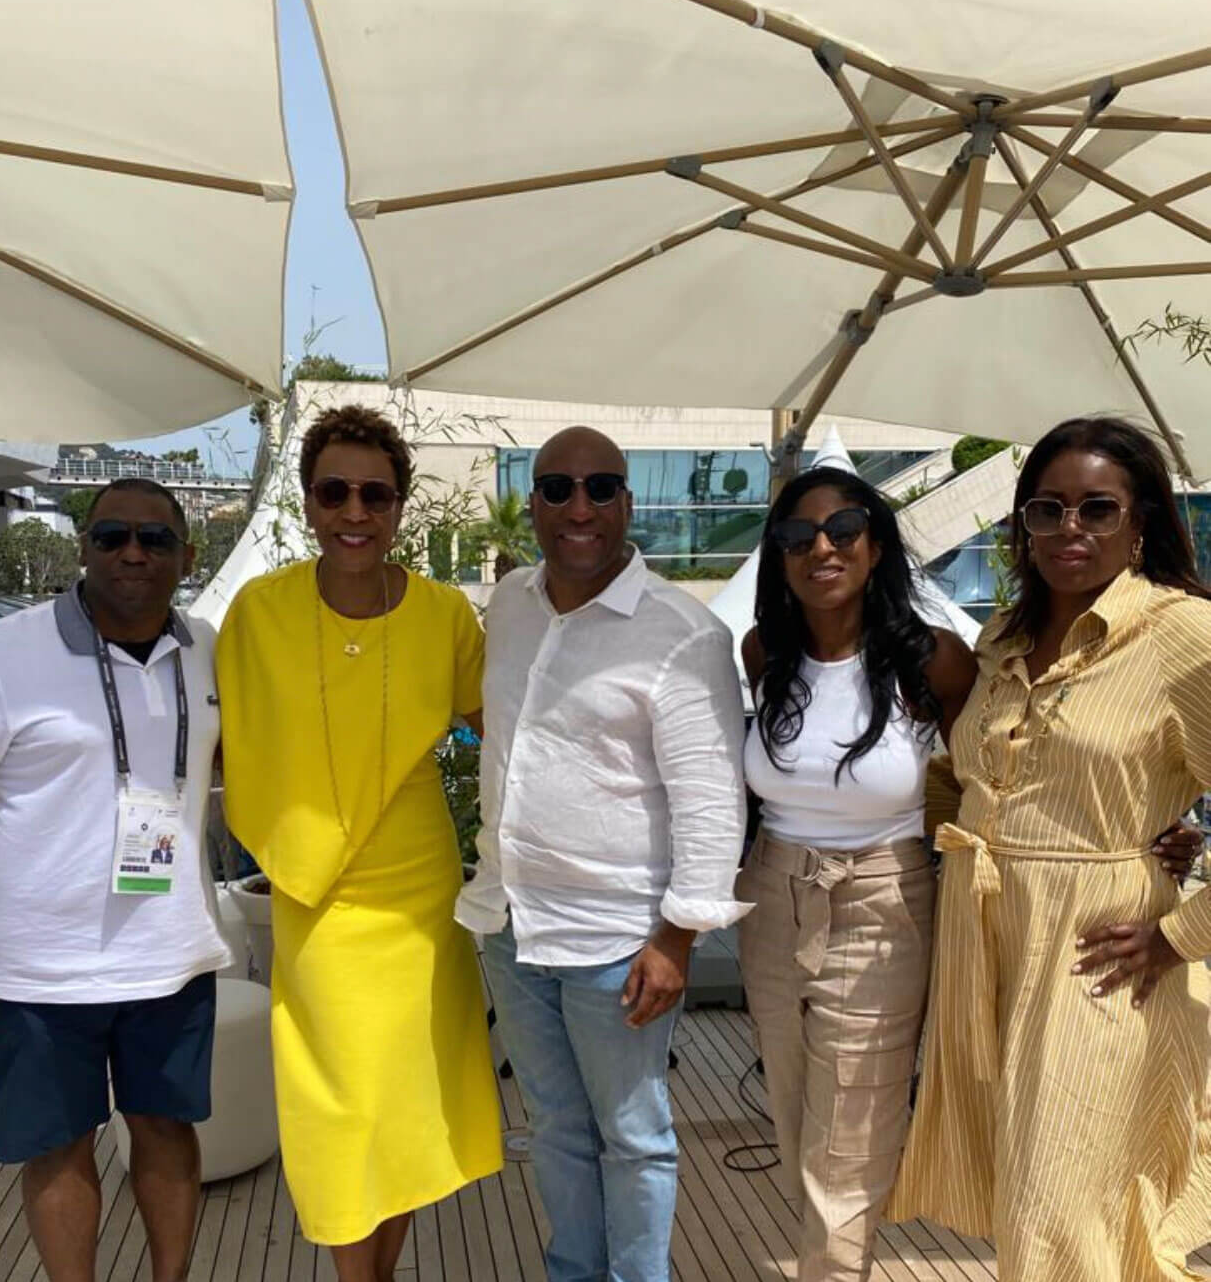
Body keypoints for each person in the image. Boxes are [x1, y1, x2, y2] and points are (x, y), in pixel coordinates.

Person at [888, 417, 1211, 1281]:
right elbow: (966, 780)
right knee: (1037, 1186)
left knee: (1062, 1194)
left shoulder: (1183, 636)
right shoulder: (1002, 638)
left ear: (1140, 521)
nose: (1072, 529)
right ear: (1022, 527)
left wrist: (1177, 933)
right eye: (1048, 508)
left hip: (1097, 950)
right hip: (988, 941)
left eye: (1098, 509)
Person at [456, 425, 750, 1282]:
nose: (577, 507)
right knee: (554, 1126)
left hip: (620, 942)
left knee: (635, 1137)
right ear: (535, 505)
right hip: (511, 921)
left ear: (627, 502)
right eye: (555, 488)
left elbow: (710, 802)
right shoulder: (510, 601)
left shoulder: (681, 635)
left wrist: (677, 938)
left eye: (599, 487)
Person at [216, 405, 502, 1282]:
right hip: (313, 894)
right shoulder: (257, 612)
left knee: (406, 1103)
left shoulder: (448, 614)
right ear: (306, 501)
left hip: (416, 888)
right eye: (334, 490)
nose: (354, 510)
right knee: (337, 1107)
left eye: (374, 494)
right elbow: (219, 744)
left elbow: (505, 736)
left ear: (399, 507)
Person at [0, 478, 231, 1282]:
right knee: (57, 1147)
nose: (133, 551)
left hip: (169, 958)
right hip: (36, 969)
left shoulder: (207, 650)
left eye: (155, 539)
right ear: (82, 547)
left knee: (166, 1128)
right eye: (111, 536)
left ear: (186, 558)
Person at [736, 466, 976, 1282]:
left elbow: (1001, 773)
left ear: (875, 546)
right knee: (798, 1114)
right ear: (780, 555)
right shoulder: (763, 651)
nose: (822, 548)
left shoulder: (934, 660)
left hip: (884, 897)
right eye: (799, 536)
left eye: (842, 529)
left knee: (852, 1130)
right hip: (770, 894)